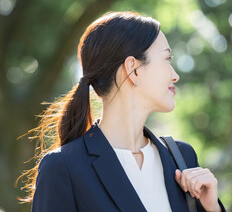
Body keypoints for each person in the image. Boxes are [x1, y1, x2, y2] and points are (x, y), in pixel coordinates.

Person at [20, 12, 226, 212]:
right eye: (167, 58)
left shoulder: (182, 158)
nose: (175, 76)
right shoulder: (62, 168)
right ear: (133, 68)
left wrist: (212, 209)